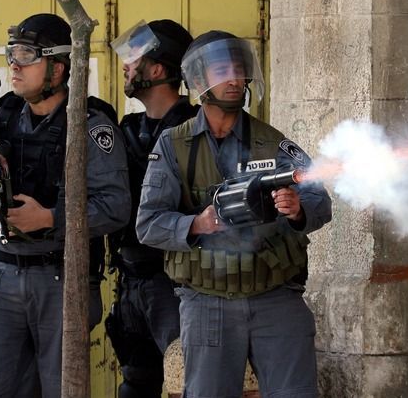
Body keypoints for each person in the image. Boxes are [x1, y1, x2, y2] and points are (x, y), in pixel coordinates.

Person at [136, 31, 332, 397]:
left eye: (239, 70)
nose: (234, 79)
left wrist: (297, 209)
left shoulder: (271, 141)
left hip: (274, 297)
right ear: (197, 82)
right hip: (207, 301)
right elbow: (148, 224)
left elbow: (320, 200)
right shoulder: (173, 145)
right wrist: (198, 223)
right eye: (221, 70)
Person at [0, 13, 130, 398]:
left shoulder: (90, 125)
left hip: (60, 277)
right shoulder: (2, 118)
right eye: (12, 54)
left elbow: (116, 207)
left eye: (27, 55)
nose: (15, 65)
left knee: (62, 389)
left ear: (58, 68)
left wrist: (48, 218)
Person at [106, 19, 197, 398]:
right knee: (136, 384)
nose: (126, 66)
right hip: (130, 280)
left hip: (173, 284)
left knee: (185, 382)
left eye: (135, 58)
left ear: (157, 70)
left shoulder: (194, 129)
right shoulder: (125, 129)